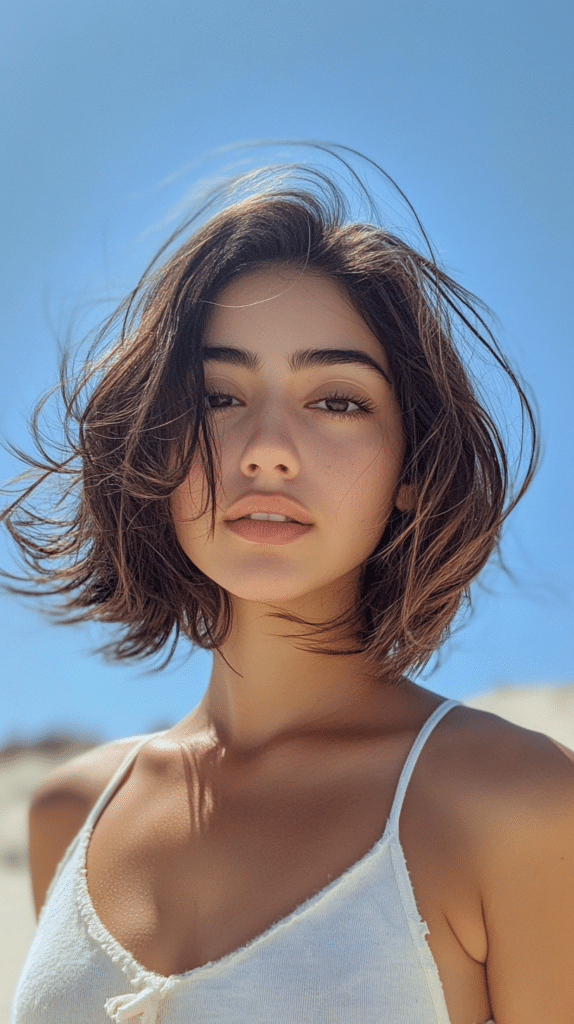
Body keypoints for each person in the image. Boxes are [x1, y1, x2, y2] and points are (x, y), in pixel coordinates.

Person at [3, 146, 573, 1024]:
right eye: (218, 396)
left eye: (336, 399)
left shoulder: (519, 805)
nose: (265, 447)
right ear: (156, 444)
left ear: (411, 467)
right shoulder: (68, 818)